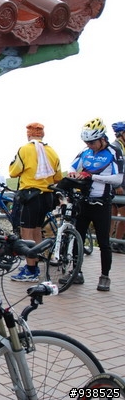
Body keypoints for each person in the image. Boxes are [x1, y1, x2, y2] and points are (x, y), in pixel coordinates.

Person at [66, 118, 123, 291]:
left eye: (92, 142)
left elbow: (118, 179)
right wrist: (73, 174)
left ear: (102, 139)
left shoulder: (114, 152)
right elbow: (72, 166)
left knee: (104, 242)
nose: (89, 145)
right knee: (78, 238)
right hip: (84, 201)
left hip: (102, 203)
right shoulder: (85, 151)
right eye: (86, 142)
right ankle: (77, 272)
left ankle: (105, 276)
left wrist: (92, 176)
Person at [9, 122, 62, 282]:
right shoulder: (52, 151)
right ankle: (35, 263)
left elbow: (13, 171)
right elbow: (58, 177)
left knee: (27, 232)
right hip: (47, 196)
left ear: (29, 134)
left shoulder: (25, 149)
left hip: (31, 195)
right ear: (42, 135)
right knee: (37, 230)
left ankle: (31, 270)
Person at [110, 121, 125, 252]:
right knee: (118, 216)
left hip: (120, 187)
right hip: (118, 188)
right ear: (121, 134)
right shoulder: (116, 147)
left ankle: (111, 242)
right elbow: (113, 168)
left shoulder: (121, 146)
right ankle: (116, 242)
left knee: (113, 216)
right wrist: (117, 185)